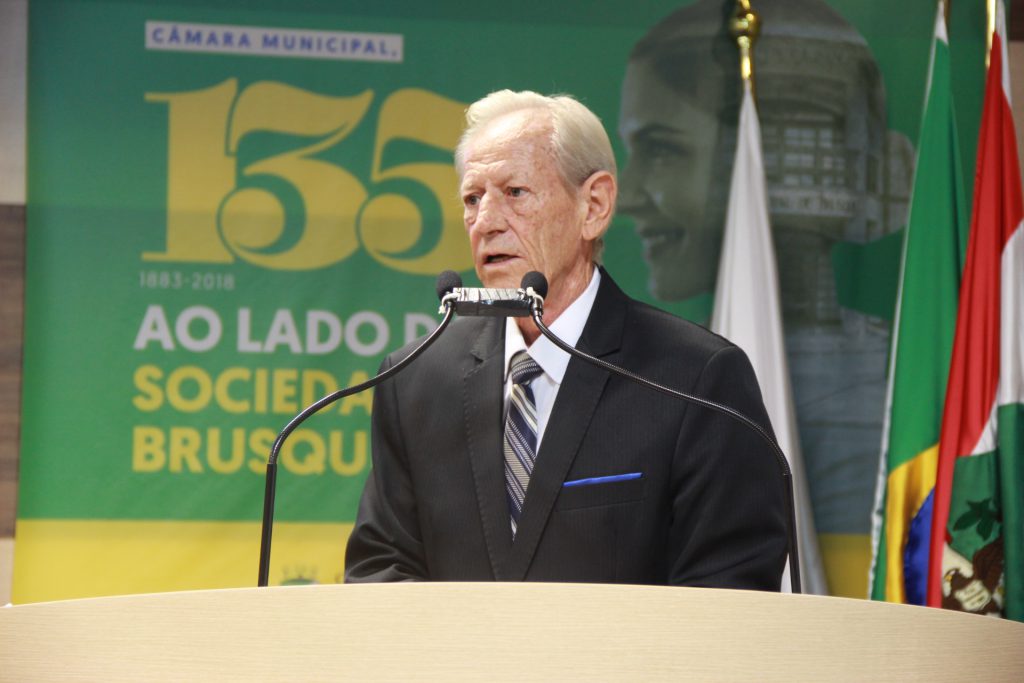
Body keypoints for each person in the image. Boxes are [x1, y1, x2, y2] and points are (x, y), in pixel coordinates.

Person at [344, 89, 786, 587]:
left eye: (514, 193)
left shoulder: (694, 380)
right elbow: (380, 567)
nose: (486, 223)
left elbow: (730, 589)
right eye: (472, 199)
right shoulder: (417, 379)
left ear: (593, 205)